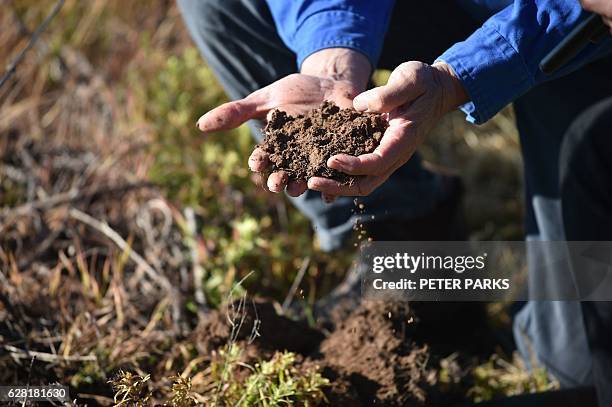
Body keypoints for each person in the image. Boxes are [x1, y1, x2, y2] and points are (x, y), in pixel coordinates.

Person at [178, 0, 612, 404]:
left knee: (578, 361)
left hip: (585, 33)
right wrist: (331, 51)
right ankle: (413, 256)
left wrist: (458, 75)